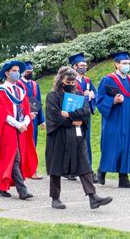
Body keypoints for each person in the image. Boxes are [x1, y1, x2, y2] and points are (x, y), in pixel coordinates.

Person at [45, 66, 113, 209]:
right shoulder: (53, 96)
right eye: (67, 81)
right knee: (56, 166)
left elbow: (86, 112)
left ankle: (93, 197)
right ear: (61, 80)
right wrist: (74, 120)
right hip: (59, 136)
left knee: (84, 164)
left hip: (77, 135)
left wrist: (69, 115)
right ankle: (55, 198)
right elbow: (55, 118)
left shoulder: (79, 94)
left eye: (73, 81)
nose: (71, 84)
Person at [0, 61, 37, 199]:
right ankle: (22, 190)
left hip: (20, 129)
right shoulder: (1, 92)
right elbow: (3, 114)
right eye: (14, 70)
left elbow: (27, 111)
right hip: (7, 130)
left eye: (18, 70)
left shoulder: (21, 92)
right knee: (13, 157)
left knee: (15, 157)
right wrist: (18, 124)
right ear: (7, 73)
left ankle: (0, 185)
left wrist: (26, 122)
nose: (17, 73)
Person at [96, 51, 130, 188]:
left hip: (128, 120)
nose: (127, 65)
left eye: (128, 63)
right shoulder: (107, 80)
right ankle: (102, 170)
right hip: (113, 119)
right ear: (116, 64)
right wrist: (113, 101)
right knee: (111, 145)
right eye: (124, 63)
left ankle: (124, 178)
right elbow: (99, 99)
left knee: (127, 147)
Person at [68, 53, 98, 182]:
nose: (84, 67)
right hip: (74, 115)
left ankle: (88, 170)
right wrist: (86, 97)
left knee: (86, 142)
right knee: (74, 141)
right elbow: (70, 97)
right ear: (74, 66)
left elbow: (95, 93)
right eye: (81, 65)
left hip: (85, 116)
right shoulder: (70, 80)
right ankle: (71, 170)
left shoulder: (87, 80)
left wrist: (92, 94)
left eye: (85, 65)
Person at [17, 61, 45, 180]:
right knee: (22, 144)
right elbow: (18, 102)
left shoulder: (35, 85)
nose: (30, 74)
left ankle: (33, 170)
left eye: (31, 72)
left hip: (33, 120)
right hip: (23, 119)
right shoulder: (18, 84)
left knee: (33, 144)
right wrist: (27, 113)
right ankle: (22, 170)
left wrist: (41, 119)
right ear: (23, 72)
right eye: (28, 72)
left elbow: (38, 102)